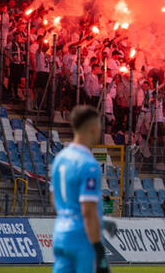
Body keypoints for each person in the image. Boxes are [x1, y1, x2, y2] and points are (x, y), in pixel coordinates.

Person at [51, 106, 111, 273]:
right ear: (94, 128)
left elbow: (53, 197)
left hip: (61, 234)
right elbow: (88, 212)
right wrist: (99, 250)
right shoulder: (89, 164)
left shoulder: (60, 159)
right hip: (82, 238)